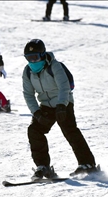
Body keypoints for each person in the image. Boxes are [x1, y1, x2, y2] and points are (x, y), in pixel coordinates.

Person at [22, 39, 97, 179]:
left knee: (70, 130)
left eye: (35, 57)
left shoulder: (55, 66)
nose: (33, 61)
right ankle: (42, 166)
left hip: (63, 103)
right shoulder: (27, 72)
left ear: (43, 55)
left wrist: (62, 105)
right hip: (45, 106)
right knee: (34, 130)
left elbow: (64, 87)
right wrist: (36, 113)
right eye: (29, 58)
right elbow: (28, 94)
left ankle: (87, 164)